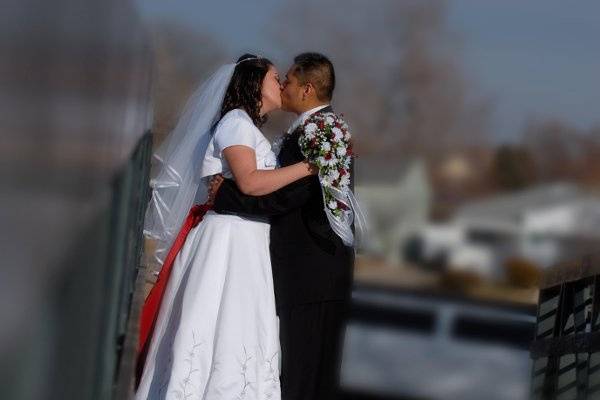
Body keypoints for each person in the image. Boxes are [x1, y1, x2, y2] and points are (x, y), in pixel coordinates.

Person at [136, 54, 316, 400]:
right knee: (219, 322)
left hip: (247, 239)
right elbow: (249, 182)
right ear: (252, 83)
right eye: (273, 77)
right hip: (229, 241)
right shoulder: (235, 123)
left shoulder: (245, 126)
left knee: (240, 325)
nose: (280, 84)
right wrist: (309, 169)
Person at [209, 52, 364, 400]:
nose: (283, 85)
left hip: (312, 274)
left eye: (289, 80)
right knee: (303, 373)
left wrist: (225, 196)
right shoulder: (313, 130)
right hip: (310, 273)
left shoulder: (322, 134)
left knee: (304, 375)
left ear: (307, 89)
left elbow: (288, 197)